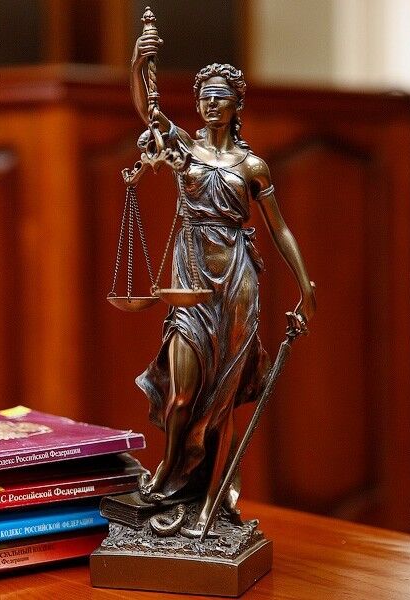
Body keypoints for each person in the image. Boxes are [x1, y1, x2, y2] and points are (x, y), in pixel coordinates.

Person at [125, 27, 316, 537]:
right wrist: (138, 62)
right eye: (205, 97)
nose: (211, 104)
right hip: (190, 275)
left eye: (221, 98)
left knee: (224, 396)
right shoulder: (184, 149)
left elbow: (280, 229)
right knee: (182, 395)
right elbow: (148, 111)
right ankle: (170, 473)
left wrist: (306, 286)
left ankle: (211, 502)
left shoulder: (253, 166)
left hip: (236, 281)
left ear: (236, 106)